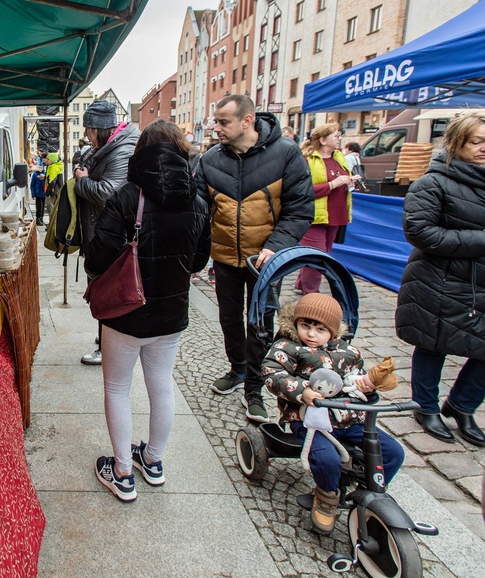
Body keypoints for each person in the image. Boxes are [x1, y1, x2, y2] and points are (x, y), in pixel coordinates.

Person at [86, 120, 210, 502]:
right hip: (172, 312)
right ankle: (152, 461)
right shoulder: (199, 199)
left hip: (126, 312)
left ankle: (123, 471)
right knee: (161, 385)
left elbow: (97, 254)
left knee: (117, 388)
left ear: (141, 153)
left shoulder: (127, 196)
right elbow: (199, 260)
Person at [193, 95, 314, 423]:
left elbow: (301, 208)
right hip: (224, 258)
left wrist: (275, 246)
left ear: (247, 121)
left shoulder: (286, 153)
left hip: (266, 260)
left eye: (223, 122)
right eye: (215, 121)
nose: (215, 127)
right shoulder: (210, 159)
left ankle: (255, 387)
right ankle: (238, 370)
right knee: (229, 318)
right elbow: (199, 210)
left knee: (260, 322)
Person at [263, 293, 405, 534]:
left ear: (333, 331)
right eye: (305, 326)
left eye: (320, 329)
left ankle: (369, 489)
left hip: (349, 418)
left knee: (393, 452)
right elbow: (272, 373)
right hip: (309, 418)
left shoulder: (348, 352)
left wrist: (366, 385)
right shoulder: (288, 347)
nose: (311, 334)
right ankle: (327, 496)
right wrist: (302, 390)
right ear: (296, 323)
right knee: (327, 459)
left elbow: (355, 379)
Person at [396, 111, 485, 447]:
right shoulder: (432, 182)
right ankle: (425, 405)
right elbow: (419, 231)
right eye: (476, 141)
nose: (483, 149)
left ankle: (462, 405)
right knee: (433, 343)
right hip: (441, 280)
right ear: (456, 142)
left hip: (481, 282)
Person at [73, 99, 140, 366]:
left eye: (89, 129)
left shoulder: (122, 150)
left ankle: (108, 348)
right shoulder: (109, 147)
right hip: (103, 233)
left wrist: (82, 182)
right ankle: (106, 339)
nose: (87, 135)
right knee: (102, 291)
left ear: (100, 129)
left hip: (112, 237)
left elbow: (107, 193)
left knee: (108, 292)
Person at [294, 124, 361, 295]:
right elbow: (302, 190)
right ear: (323, 140)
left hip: (336, 214)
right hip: (313, 216)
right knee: (316, 257)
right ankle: (311, 294)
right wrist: (332, 184)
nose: (339, 138)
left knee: (323, 253)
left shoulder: (339, 156)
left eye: (340, 135)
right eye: (336, 135)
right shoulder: (308, 160)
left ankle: (301, 283)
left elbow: (340, 177)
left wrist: (350, 180)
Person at [30, 156, 46, 226]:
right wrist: (33, 194)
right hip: (38, 193)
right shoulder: (35, 174)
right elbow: (32, 185)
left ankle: (41, 218)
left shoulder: (45, 173)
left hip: (44, 193)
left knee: (42, 207)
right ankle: (38, 219)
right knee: (38, 207)